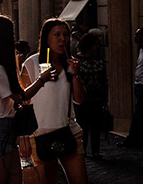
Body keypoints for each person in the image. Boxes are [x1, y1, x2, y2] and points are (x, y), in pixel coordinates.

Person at [0, 16, 55, 184]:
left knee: (15, 179)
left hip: (6, 128)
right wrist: (41, 80)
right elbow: (19, 96)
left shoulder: (0, 65)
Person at [20, 18, 87, 184]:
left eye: (65, 34)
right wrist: (23, 138)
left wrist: (75, 74)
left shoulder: (69, 64)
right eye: (56, 34)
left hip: (68, 131)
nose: (62, 39)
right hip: (40, 135)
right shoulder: (32, 63)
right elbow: (22, 102)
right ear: (46, 38)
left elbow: (79, 100)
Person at [75, 32, 107, 158]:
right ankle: (82, 150)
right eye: (95, 45)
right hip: (82, 99)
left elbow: (103, 79)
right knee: (83, 126)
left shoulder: (98, 58)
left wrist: (105, 97)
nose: (97, 47)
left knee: (95, 126)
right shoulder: (77, 60)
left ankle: (95, 151)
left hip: (97, 98)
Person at [119, 27, 143, 148]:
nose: (134, 37)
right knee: (140, 113)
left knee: (139, 113)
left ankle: (133, 139)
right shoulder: (142, 49)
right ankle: (138, 138)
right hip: (140, 84)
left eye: (137, 35)